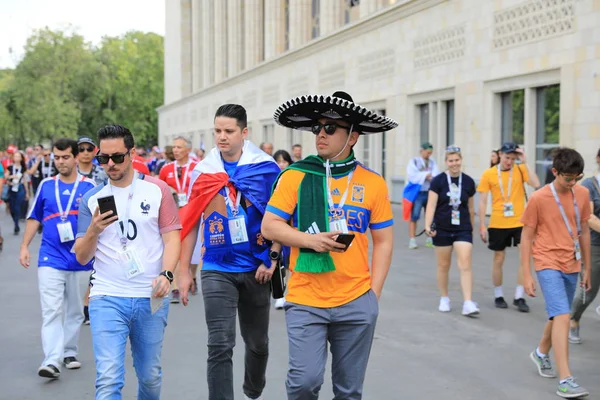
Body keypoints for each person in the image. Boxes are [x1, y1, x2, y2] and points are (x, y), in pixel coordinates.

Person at [262, 91, 396, 399]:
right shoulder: (296, 176)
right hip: (306, 297)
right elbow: (270, 226)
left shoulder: (373, 183)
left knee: (349, 391)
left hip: (356, 301)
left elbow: (385, 241)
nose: (321, 134)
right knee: (304, 382)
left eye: (330, 128)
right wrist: (310, 240)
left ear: (352, 136)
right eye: (317, 128)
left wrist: (372, 296)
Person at [178, 104, 281, 400]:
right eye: (217, 131)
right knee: (220, 343)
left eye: (229, 131)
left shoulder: (265, 168)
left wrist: (272, 259)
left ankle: (253, 386)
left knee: (257, 343)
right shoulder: (204, 171)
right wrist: (184, 271)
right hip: (216, 267)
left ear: (244, 133)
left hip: (256, 268)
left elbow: (281, 216)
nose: (222, 137)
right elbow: (191, 223)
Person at [74, 124, 181, 399]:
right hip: (107, 296)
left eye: (117, 157)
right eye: (103, 158)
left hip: (150, 297)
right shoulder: (91, 198)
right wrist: (93, 230)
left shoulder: (157, 190)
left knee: (150, 376)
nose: (110, 164)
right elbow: (82, 256)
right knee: (109, 379)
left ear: (132, 153)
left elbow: (172, 238)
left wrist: (167, 275)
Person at [19, 138, 96, 379]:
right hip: (50, 257)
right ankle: (51, 359)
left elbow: (100, 223)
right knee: (52, 310)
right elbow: (34, 217)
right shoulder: (45, 185)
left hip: (80, 259)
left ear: (75, 158)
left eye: (65, 157)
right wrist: (24, 246)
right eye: (57, 157)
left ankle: (69, 351)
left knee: (74, 311)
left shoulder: (89, 186)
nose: (60, 162)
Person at [521, 148, 591, 399]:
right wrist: (526, 274)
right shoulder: (539, 198)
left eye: (577, 177)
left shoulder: (581, 194)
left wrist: (587, 268)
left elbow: (582, 228)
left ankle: (540, 353)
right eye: (568, 178)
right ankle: (566, 380)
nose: (573, 183)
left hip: (572, 262)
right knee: (562, 315)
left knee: (559, 315)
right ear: (554, 172)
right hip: (546, 260)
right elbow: (526, 236)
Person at [477, 142, 540, 312]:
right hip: (498, 222)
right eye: (506, 157)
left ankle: (519, 296)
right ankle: (498, 294)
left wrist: (525, 161)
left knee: (524, 257)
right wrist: (482, 225)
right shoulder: (489, 174)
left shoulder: (520, 170)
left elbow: (535, 183)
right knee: (499, 258)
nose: (509, 161)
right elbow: (482, 201)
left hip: (520, 222)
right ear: (499, 155)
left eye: (513, 158)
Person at [424, 146, 479, 316]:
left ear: (461, 160)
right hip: (442, 228)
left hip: (462, 228)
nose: (454, 163)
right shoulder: (438, 181)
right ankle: (444, 297)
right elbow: (431, 205)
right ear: (446, 162)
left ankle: (468, 302)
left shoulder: (468, 182)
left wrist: (471, 228)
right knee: (443, 265)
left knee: (465, 263)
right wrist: (428, 225)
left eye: (457, 160)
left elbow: (470, 208)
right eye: (451, 161)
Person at [159, 136, 199, 302]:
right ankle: (174, 286)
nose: (175, 150)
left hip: (192, 211)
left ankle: (192, 275)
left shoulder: (197, 167)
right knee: (174, 245)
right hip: (173, 213)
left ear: (188, 150)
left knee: (193, 248)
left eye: (179, 147)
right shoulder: (166, 169)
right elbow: (159, 189)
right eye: (174, 147)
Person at [569, 147, 600, 344]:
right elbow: (588, 217)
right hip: (595, 246)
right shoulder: (589, 185)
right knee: (588, 292)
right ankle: (573, 319)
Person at [406, 142, 440, 249]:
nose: (428, 155)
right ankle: (412, 239)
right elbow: (412, 175)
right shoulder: (414, 162)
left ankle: (430, 238)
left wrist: (427, 175)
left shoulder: (432, 162)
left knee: (430, 216)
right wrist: (426, 175)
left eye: (430, 153)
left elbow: (436, 174)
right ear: (421, 151)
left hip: (430, 192)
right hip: (418, 193)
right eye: (427, 152)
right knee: (415, 215)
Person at [6, 151, 32, 235]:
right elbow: (5, 177)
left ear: (21, 158)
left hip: (20, 188)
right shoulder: (10, 167)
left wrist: (27, 192)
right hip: (11, 188)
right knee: (12, 208)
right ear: (13, 158)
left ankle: (16, 225)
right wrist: (12, 176)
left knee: (17, 207)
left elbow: (25, 180)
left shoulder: (23, 168)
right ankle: (15, 221)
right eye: (15, 156)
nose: (17, 158)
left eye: (18, 156)